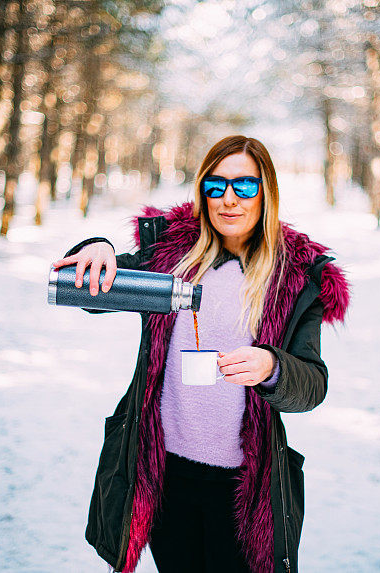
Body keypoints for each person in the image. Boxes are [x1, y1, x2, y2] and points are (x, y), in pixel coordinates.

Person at [52, 135, 350, 573]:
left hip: (243, 487)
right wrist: (95, 248)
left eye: (244, 187)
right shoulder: (170, 258)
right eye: (216, 187)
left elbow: (312, 385)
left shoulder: (295, 278)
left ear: (267, 191)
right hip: (164, 473)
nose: (229, 199)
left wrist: (272, 366)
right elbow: (89, 292)